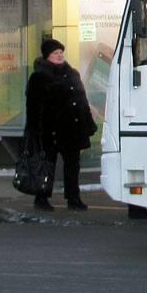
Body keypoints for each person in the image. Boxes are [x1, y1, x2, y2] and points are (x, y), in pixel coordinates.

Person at [24, 38, 97, 211]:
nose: (59, 55)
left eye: (61, 52)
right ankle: (41, 197)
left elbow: (81, 99)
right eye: (55, 53)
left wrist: (88, 123)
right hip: (50, 130)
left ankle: (73, 198)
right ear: (47, 56)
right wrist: (35, 129)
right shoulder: (40, 76)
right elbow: (33, 106)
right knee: (47, 164)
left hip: (72, 128)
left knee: (73, 165)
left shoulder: (72, 73)